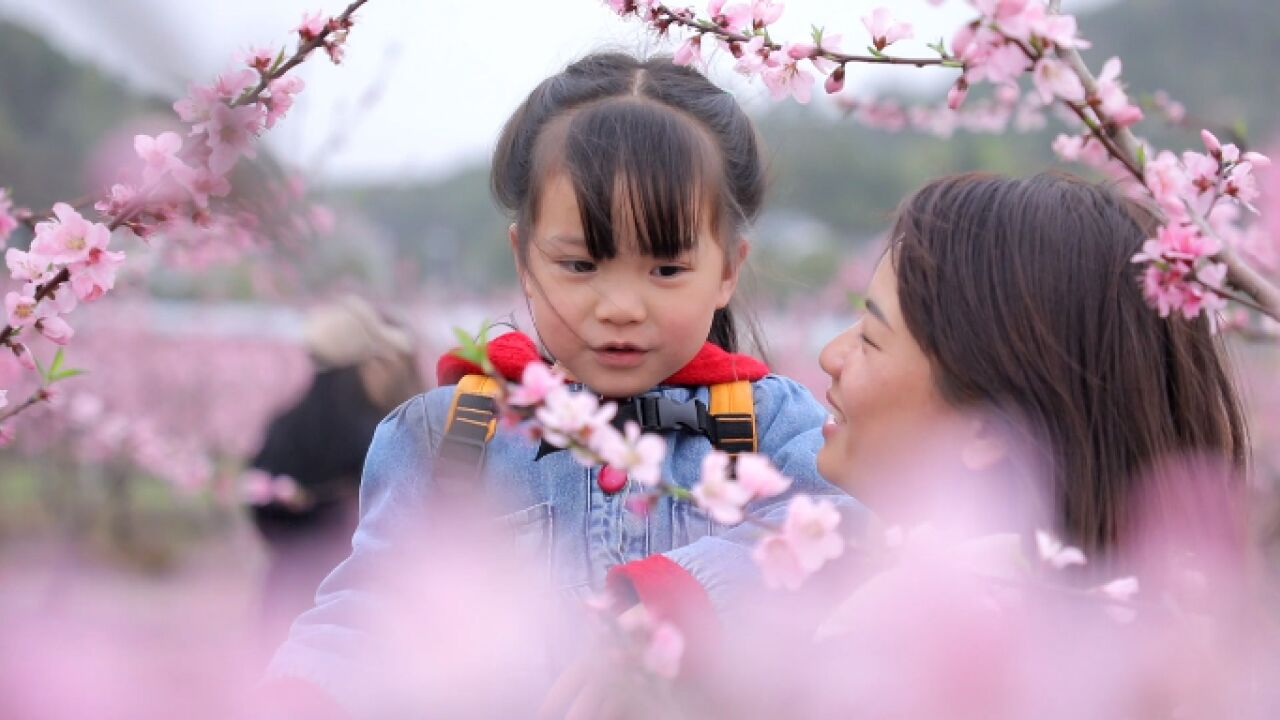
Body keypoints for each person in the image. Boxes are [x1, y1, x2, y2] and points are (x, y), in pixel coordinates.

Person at [259, 52, 851, 719]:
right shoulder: (448, 437)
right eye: (580, 263)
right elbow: (371, 609)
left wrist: (674, 599)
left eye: (665, 269)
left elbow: (845, 537)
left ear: (727, 270)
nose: (621, 305)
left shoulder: (770, 425)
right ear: (523, 258)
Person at [248, 295, 424, 652]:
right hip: (369, 598)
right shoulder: (384, 433)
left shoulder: (284, 425)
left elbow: (261, 512)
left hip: (286, 593)